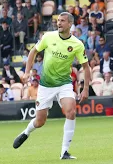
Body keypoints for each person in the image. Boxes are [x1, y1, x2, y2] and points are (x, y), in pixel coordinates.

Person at [12, 12, 91, 160]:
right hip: (46, 85)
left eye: (62, 21)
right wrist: (27, 72)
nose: (59, 23)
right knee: (40, 121)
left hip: (64, 83)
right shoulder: (48, 37)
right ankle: (26, 132)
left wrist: (85, 88)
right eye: (58, 20)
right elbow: (33, 51)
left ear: (70, 24)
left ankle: (64, 152)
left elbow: (86, 67)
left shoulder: (77, 44)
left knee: (71, 112)